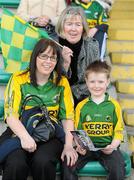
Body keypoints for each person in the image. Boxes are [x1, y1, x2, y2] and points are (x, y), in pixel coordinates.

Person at [0, 38, 77, 180]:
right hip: (20, 129)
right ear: (35, 57)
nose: (48, 61)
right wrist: (25, 137)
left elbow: (67, 117)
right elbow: (10, 115)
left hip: (50, 132)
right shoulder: (18, 78)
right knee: (16, 163)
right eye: (44, 56)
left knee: (43, 162)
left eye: (53, 58)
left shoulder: (62, 82)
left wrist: (68, 145)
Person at [62, 60, 125, 180]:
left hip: (107, 148)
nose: (96, 85)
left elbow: (119, 131)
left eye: (101, 82)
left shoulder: (114, 105)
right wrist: (79, 145)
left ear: (107, 82)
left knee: (118, 166)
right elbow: (77, 131)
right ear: (86, 81)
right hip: (87, 149)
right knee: (68, 163)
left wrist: (112, 146)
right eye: (92, 81)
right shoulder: (81, 106)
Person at [56, 6, 100, 105]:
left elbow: (95, 78)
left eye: (78, 25)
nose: (73, 29)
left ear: (83, 28)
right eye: (69, 24)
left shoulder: (92, 45)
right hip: (58, 99)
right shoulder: (53, 45)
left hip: (84, 97)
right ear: (62, 26)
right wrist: (65, 64)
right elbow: (52, 82)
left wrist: (76, 97)